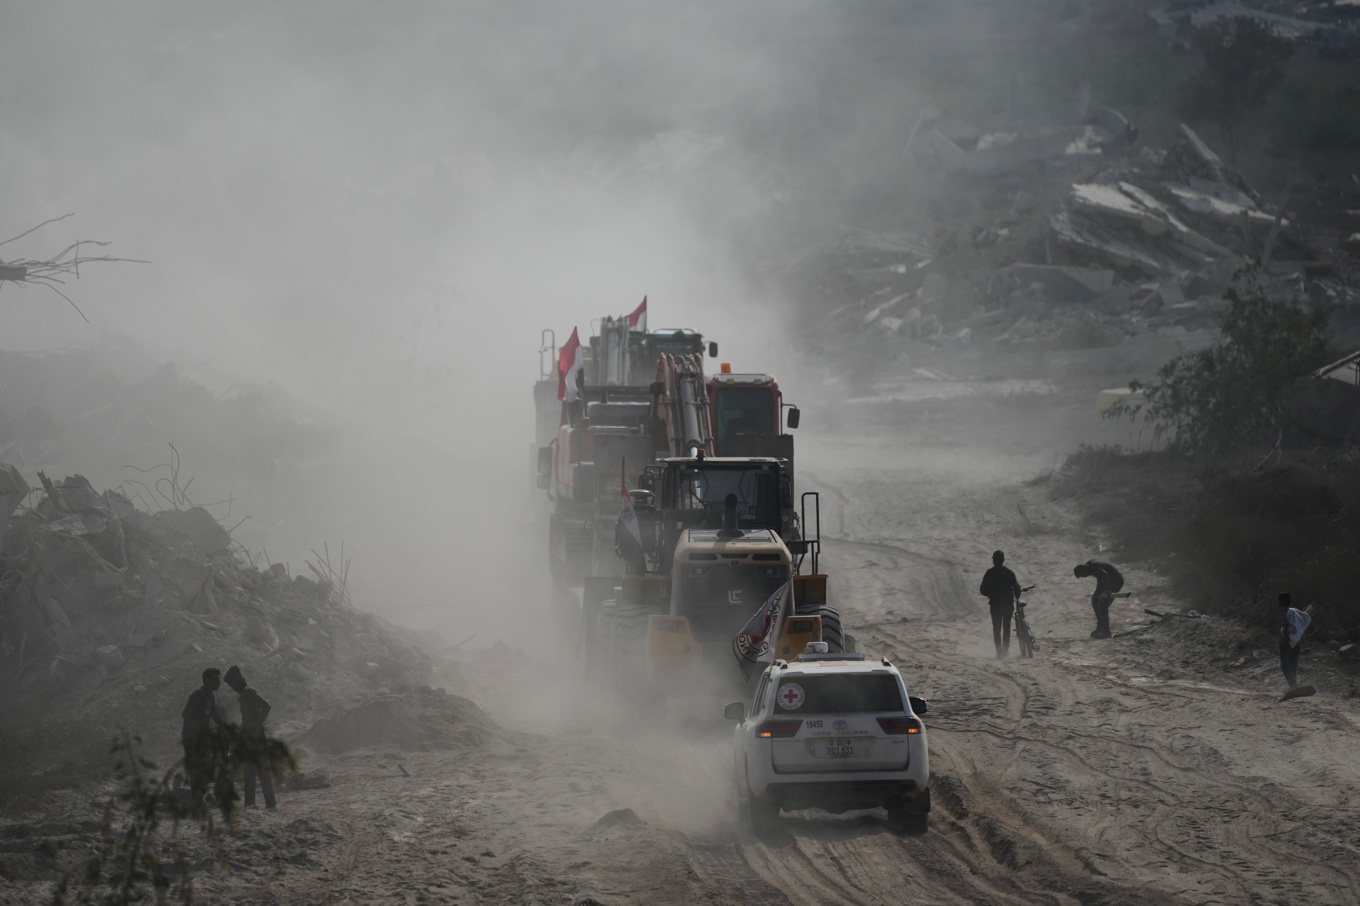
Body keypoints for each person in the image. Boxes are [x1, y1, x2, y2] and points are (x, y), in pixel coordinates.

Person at [224, 665, 276, 809]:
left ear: (238, 680)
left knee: (262, 772)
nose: (232, 687)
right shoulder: (243, 694)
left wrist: (256, 725)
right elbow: (248, 719)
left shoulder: (248, 692)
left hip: (256, 739)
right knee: (249, 772)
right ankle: (250, 804)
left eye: (232, 684)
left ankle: (270, 805)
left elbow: (266, 706)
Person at [181, 667, 227, 810]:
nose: (219, 682)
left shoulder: (210, 696)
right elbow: (185, 714)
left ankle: (200, 796)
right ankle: (196, 800)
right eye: (216, 679)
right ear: (207, 681)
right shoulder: (198, 695)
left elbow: (213, 714)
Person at [979, 550, 1022, 659]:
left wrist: (991, 594)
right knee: (1006, 626)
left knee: (996, 628)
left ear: (993, 561)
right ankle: (1005, 651)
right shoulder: (1009, 573)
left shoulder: (989, 573)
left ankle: (999, 652)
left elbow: (982, 590)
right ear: (1003, 560)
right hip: (1008, 604)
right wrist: (1017, 596)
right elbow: (1017, 588)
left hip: (995, 605)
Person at [1074, 560, 1124, 639]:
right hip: (1110, 580)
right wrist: (1097, 592)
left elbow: (1105, 575)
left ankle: (1106, 632)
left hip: (1116, 581)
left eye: (1083, 575)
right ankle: (1100, 627)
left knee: (1102, 605)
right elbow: (1101, 578)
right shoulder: (1090, 565)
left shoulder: (1093, 568)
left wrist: (1107, 591)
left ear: (1083, 570)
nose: (1085, 576)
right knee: (1094, 600)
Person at [1277, 592, 1311, 690]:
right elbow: (1303, 618)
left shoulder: (1281, 611)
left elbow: (1285, 623)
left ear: (1279, 602)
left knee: (1285, 664)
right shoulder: (1294, 611)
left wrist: (1286, 636)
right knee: (1293, 663)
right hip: (1296, 641)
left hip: (1286, 641)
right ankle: (1293, 684)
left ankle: (1292, 685)